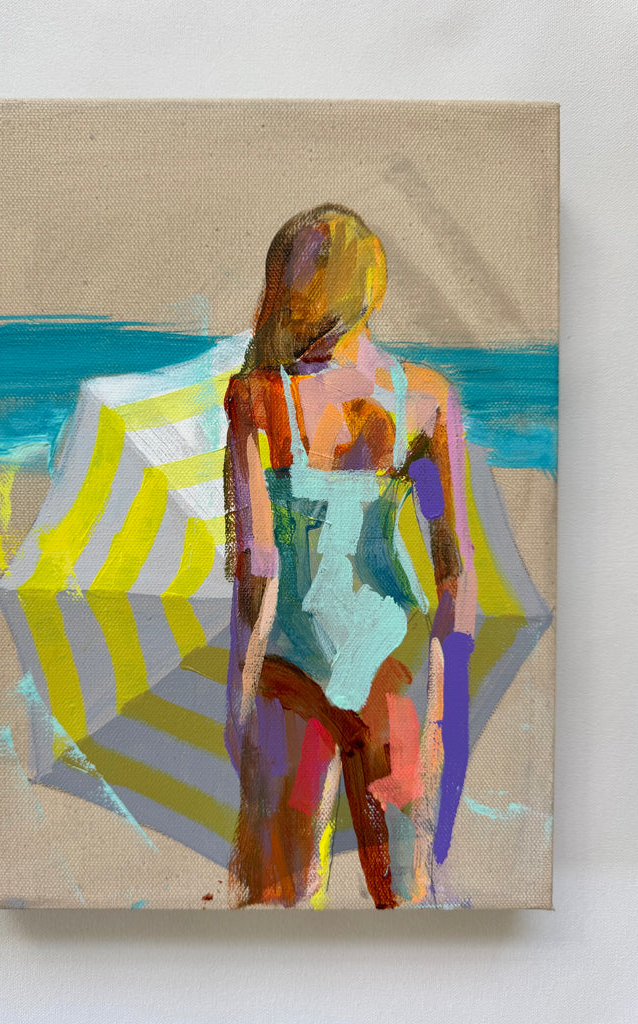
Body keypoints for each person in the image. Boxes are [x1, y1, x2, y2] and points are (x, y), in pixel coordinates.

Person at [223, 204, 477, 909]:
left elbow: (258, 566)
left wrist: (238, 695)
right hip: (393, 661)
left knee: (280, 897)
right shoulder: (425, 398)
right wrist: (444, 702)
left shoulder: (258, 397)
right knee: (404, 893)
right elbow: (453, 569)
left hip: (291, 666)